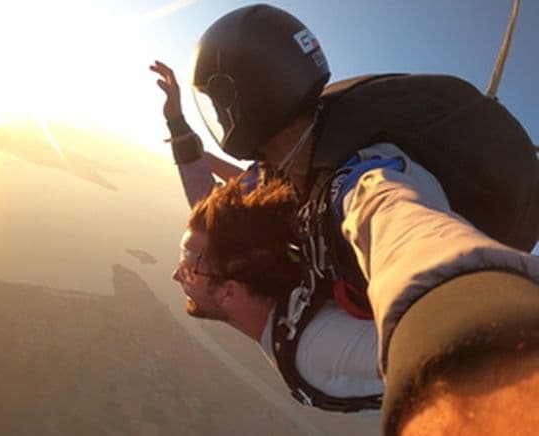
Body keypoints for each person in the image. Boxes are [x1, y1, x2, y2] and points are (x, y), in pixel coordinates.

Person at [153, 3, 539, 434]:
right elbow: (211, 214)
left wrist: (463, 311)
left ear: (235, 104)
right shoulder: (288, 170)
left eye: (191, 268)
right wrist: (177, 122)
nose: (178, 274)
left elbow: (397, 221)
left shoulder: (356, 184)